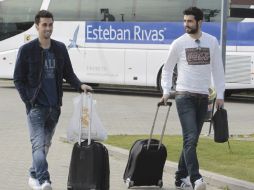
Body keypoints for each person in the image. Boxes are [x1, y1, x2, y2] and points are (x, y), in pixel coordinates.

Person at [13, 10, 93, 190]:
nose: (48, 28)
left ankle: (33, 176)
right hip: (36, 108)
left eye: (50, 24)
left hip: (54, 108)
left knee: (45, 146)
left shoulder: (60, 48)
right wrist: (28, 100)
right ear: (37, 26)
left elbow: (68, 73)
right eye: (44, 25)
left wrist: (80, 86)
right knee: (38, 146)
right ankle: (44, 180)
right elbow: (18, 78)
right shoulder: (27, 50)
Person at [160, 7, 225, 190]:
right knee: (190, 138)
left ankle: (180, 178)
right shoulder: (179, 43)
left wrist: (220, 94)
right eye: (185, 21)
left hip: (203, 97)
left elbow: (218, 70)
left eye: (189, 21)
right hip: (184, 96)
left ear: (200, 22)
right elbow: (167, 69)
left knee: (192, 139)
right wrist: (166, 91)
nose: (186, 24)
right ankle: (196, 178)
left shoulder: (211, 42)